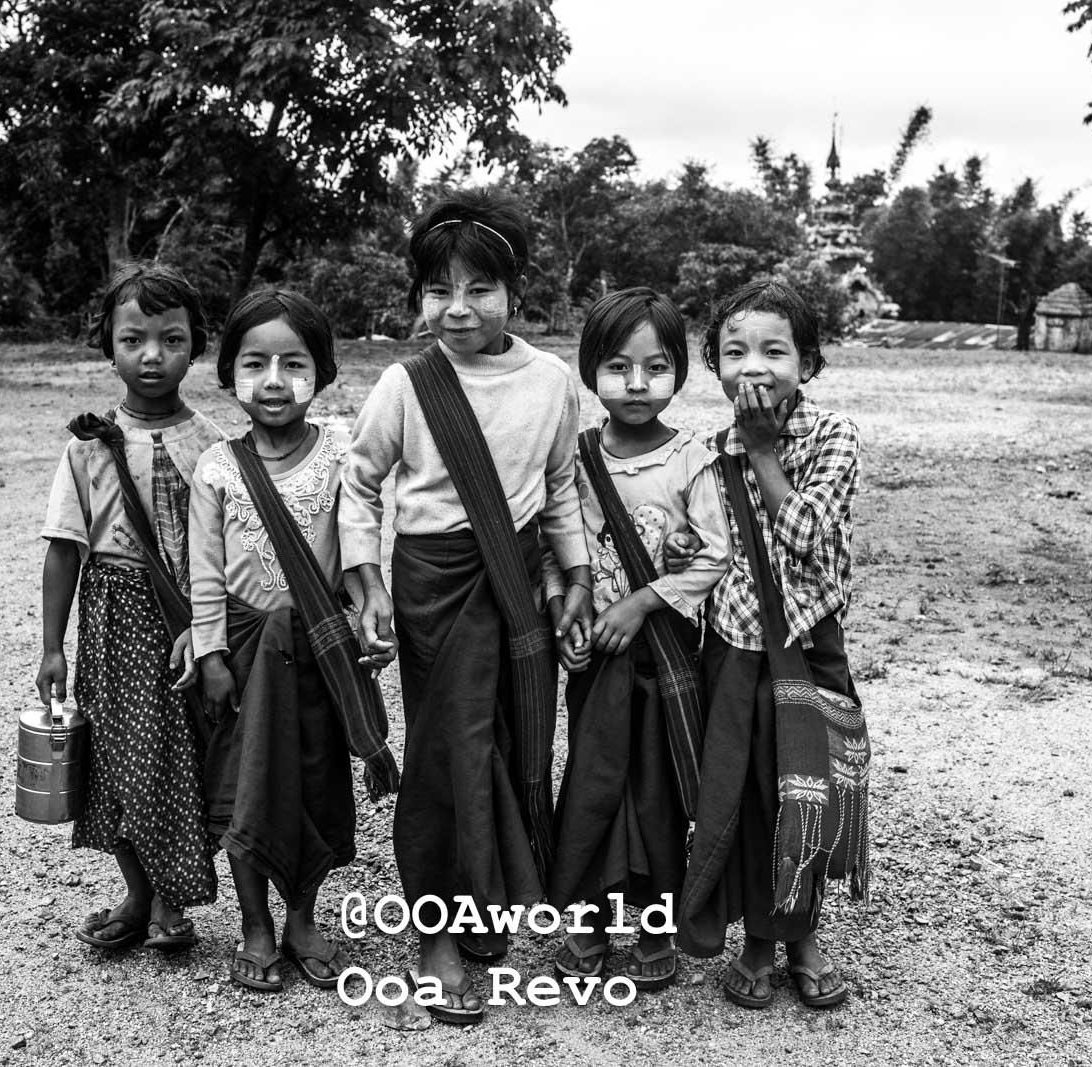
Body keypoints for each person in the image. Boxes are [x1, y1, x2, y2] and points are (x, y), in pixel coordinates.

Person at [338, 189, 593, 1025]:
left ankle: (484, 901)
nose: (457, 308)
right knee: (451, 751)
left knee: (513, 742)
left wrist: (578, 575)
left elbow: (559, 487)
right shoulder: (407, 386)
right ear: (417, 296)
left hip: (516, 583)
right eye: (437, 289)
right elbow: (362, 482)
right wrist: (365, 578)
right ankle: (434, 932)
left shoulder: (552, 381)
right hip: (432, 583)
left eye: (478, 288)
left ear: (515, 291)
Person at [189, 289, 399, 993]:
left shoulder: (343, 450)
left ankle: (303, 917)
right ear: (228, 373)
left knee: (310, 779)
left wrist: (372, 602)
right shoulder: (217, 467)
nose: (274, 380)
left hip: (315, 650)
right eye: (255, 363)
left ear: (324, 372)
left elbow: (362, 540)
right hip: (243, 654)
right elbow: (205, 573)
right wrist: (210, 653)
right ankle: (254, 923)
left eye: (294, 363)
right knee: (243, 786)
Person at [673, 279, 872, 1011]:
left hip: (807, 642)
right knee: (751, 795)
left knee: (807, 791)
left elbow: (806, 535)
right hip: (733, 646)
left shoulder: (833, 436)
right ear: (713, 365)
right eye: (734, 351)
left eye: (773, 351)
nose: (752, 367)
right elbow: (701, 552)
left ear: (808, 364)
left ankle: (804, 933)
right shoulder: (702, 449)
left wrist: (761, 451)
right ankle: (760, 939)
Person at [35, 261, 226, 953]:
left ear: (196, 346)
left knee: (186, 757)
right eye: (133, 339)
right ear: (107, 346)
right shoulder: (86, 446)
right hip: (115, 617)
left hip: (193, 616)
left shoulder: (214, 442)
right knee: (117, 759)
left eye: (171, 339)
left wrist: (211, 626)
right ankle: (141, 894)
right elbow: (63, 548)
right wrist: (53, 647)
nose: (152, 355)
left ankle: (172, 898)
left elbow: (231, 541)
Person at [545, 287, 730, 992]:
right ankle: (588, 921)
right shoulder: (578, 458)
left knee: (655, 792)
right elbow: (559, 545)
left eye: (655, 368)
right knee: (594, 784)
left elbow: (715, 554)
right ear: (591, 369)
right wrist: (569, 608)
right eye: (618, 367)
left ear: (679, 372)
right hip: (598, 658)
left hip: (668, 659)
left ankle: (655, 920)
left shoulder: (692, 458)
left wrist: (644, 602)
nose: (636, 384)